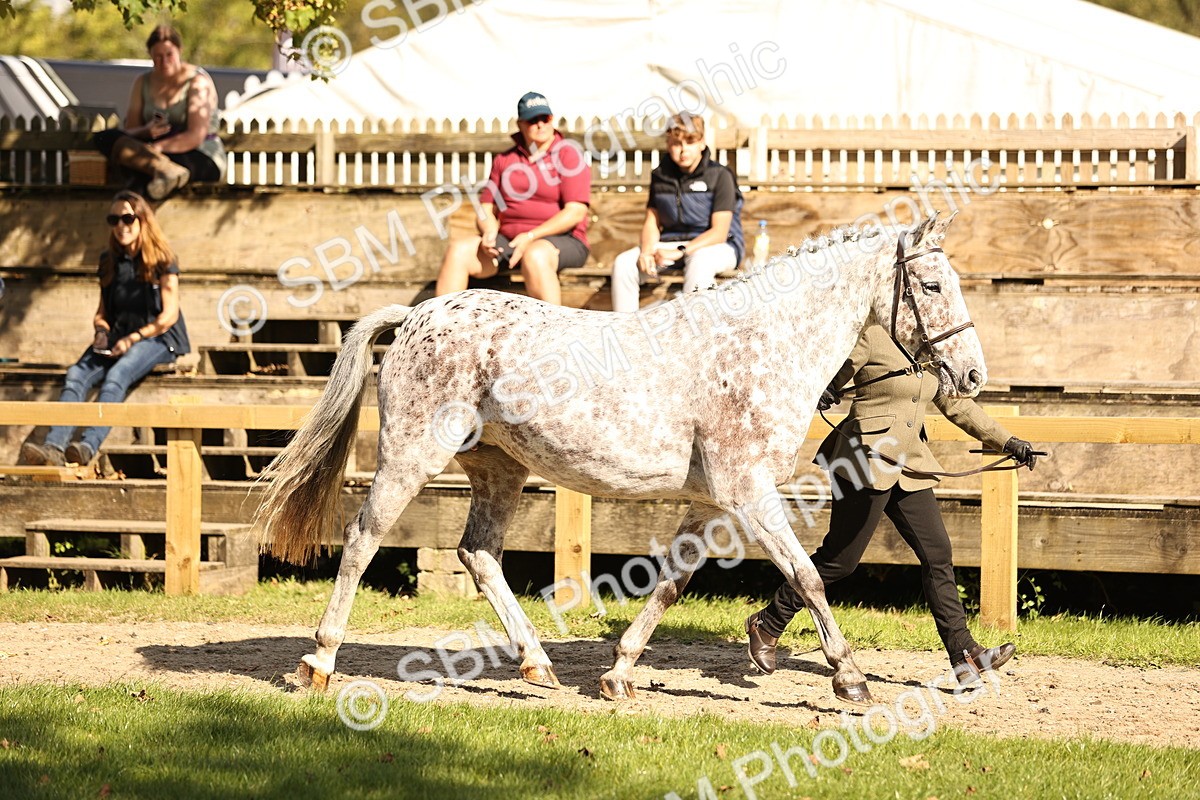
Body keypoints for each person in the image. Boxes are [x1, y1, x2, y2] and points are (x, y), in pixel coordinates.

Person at [744, 325, 1039, 685]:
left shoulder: (932, 351)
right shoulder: (872, 336)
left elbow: (957, 405)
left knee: (938, 553)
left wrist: (1007, 441)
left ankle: (966, 657)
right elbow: (827, 373)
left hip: (908, 463)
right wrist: (822, 390)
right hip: (862, 459)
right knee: (841, 559)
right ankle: (768, 622)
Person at [20, 191, 190, 468]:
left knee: (118, 374)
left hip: (158, 338)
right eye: (114, 219)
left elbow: (169, 316)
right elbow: (101, 312)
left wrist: (133, 339)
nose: (121, 226)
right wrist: (101, 330)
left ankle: (87, 446)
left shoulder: (163, 259)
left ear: (143, 220)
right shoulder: (109, 260)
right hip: (118, 336)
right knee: (76, 374)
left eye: (127, 218)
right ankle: (53, 447)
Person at [434, 91, 591, 305]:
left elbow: (575, 212)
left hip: (563, 241)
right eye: (532, 120)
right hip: (510, 242)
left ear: (552, 120)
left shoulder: (568, 155)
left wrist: (531, 236)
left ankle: (551, 334)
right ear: (520, 124)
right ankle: (441, 329)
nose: (540, 125)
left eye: (545, 118)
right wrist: (489, 232)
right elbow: (486, 209)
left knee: (535, 255)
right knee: (459, 251)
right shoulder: (505, 160)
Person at [610, 113, 743, 313]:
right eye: (676, 143)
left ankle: (693, 333)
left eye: (690, 142)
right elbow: (652, 221)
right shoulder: (660, 176)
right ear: (667, 143)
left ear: (702, 142)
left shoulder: (720, 175)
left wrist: (681, 251)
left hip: (718, 246)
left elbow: (719, 232)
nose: (683, 150)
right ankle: (626, 333)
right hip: (672, 245)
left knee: (700, 261)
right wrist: (646, 251)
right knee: (624, 263)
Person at [92, 25, 225, 201]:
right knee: (104, 137)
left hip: (197, 154)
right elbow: (130, 131)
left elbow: (195, 136)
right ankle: (161, 171)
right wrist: (145, 131)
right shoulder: (143, 81)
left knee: (141, 175)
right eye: (158, 56)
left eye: (169, 55)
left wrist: (156, 149)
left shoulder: (197, 82)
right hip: (151, 156)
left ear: (180, 51)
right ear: (150, 55)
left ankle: (130, 218)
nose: (164, 62)